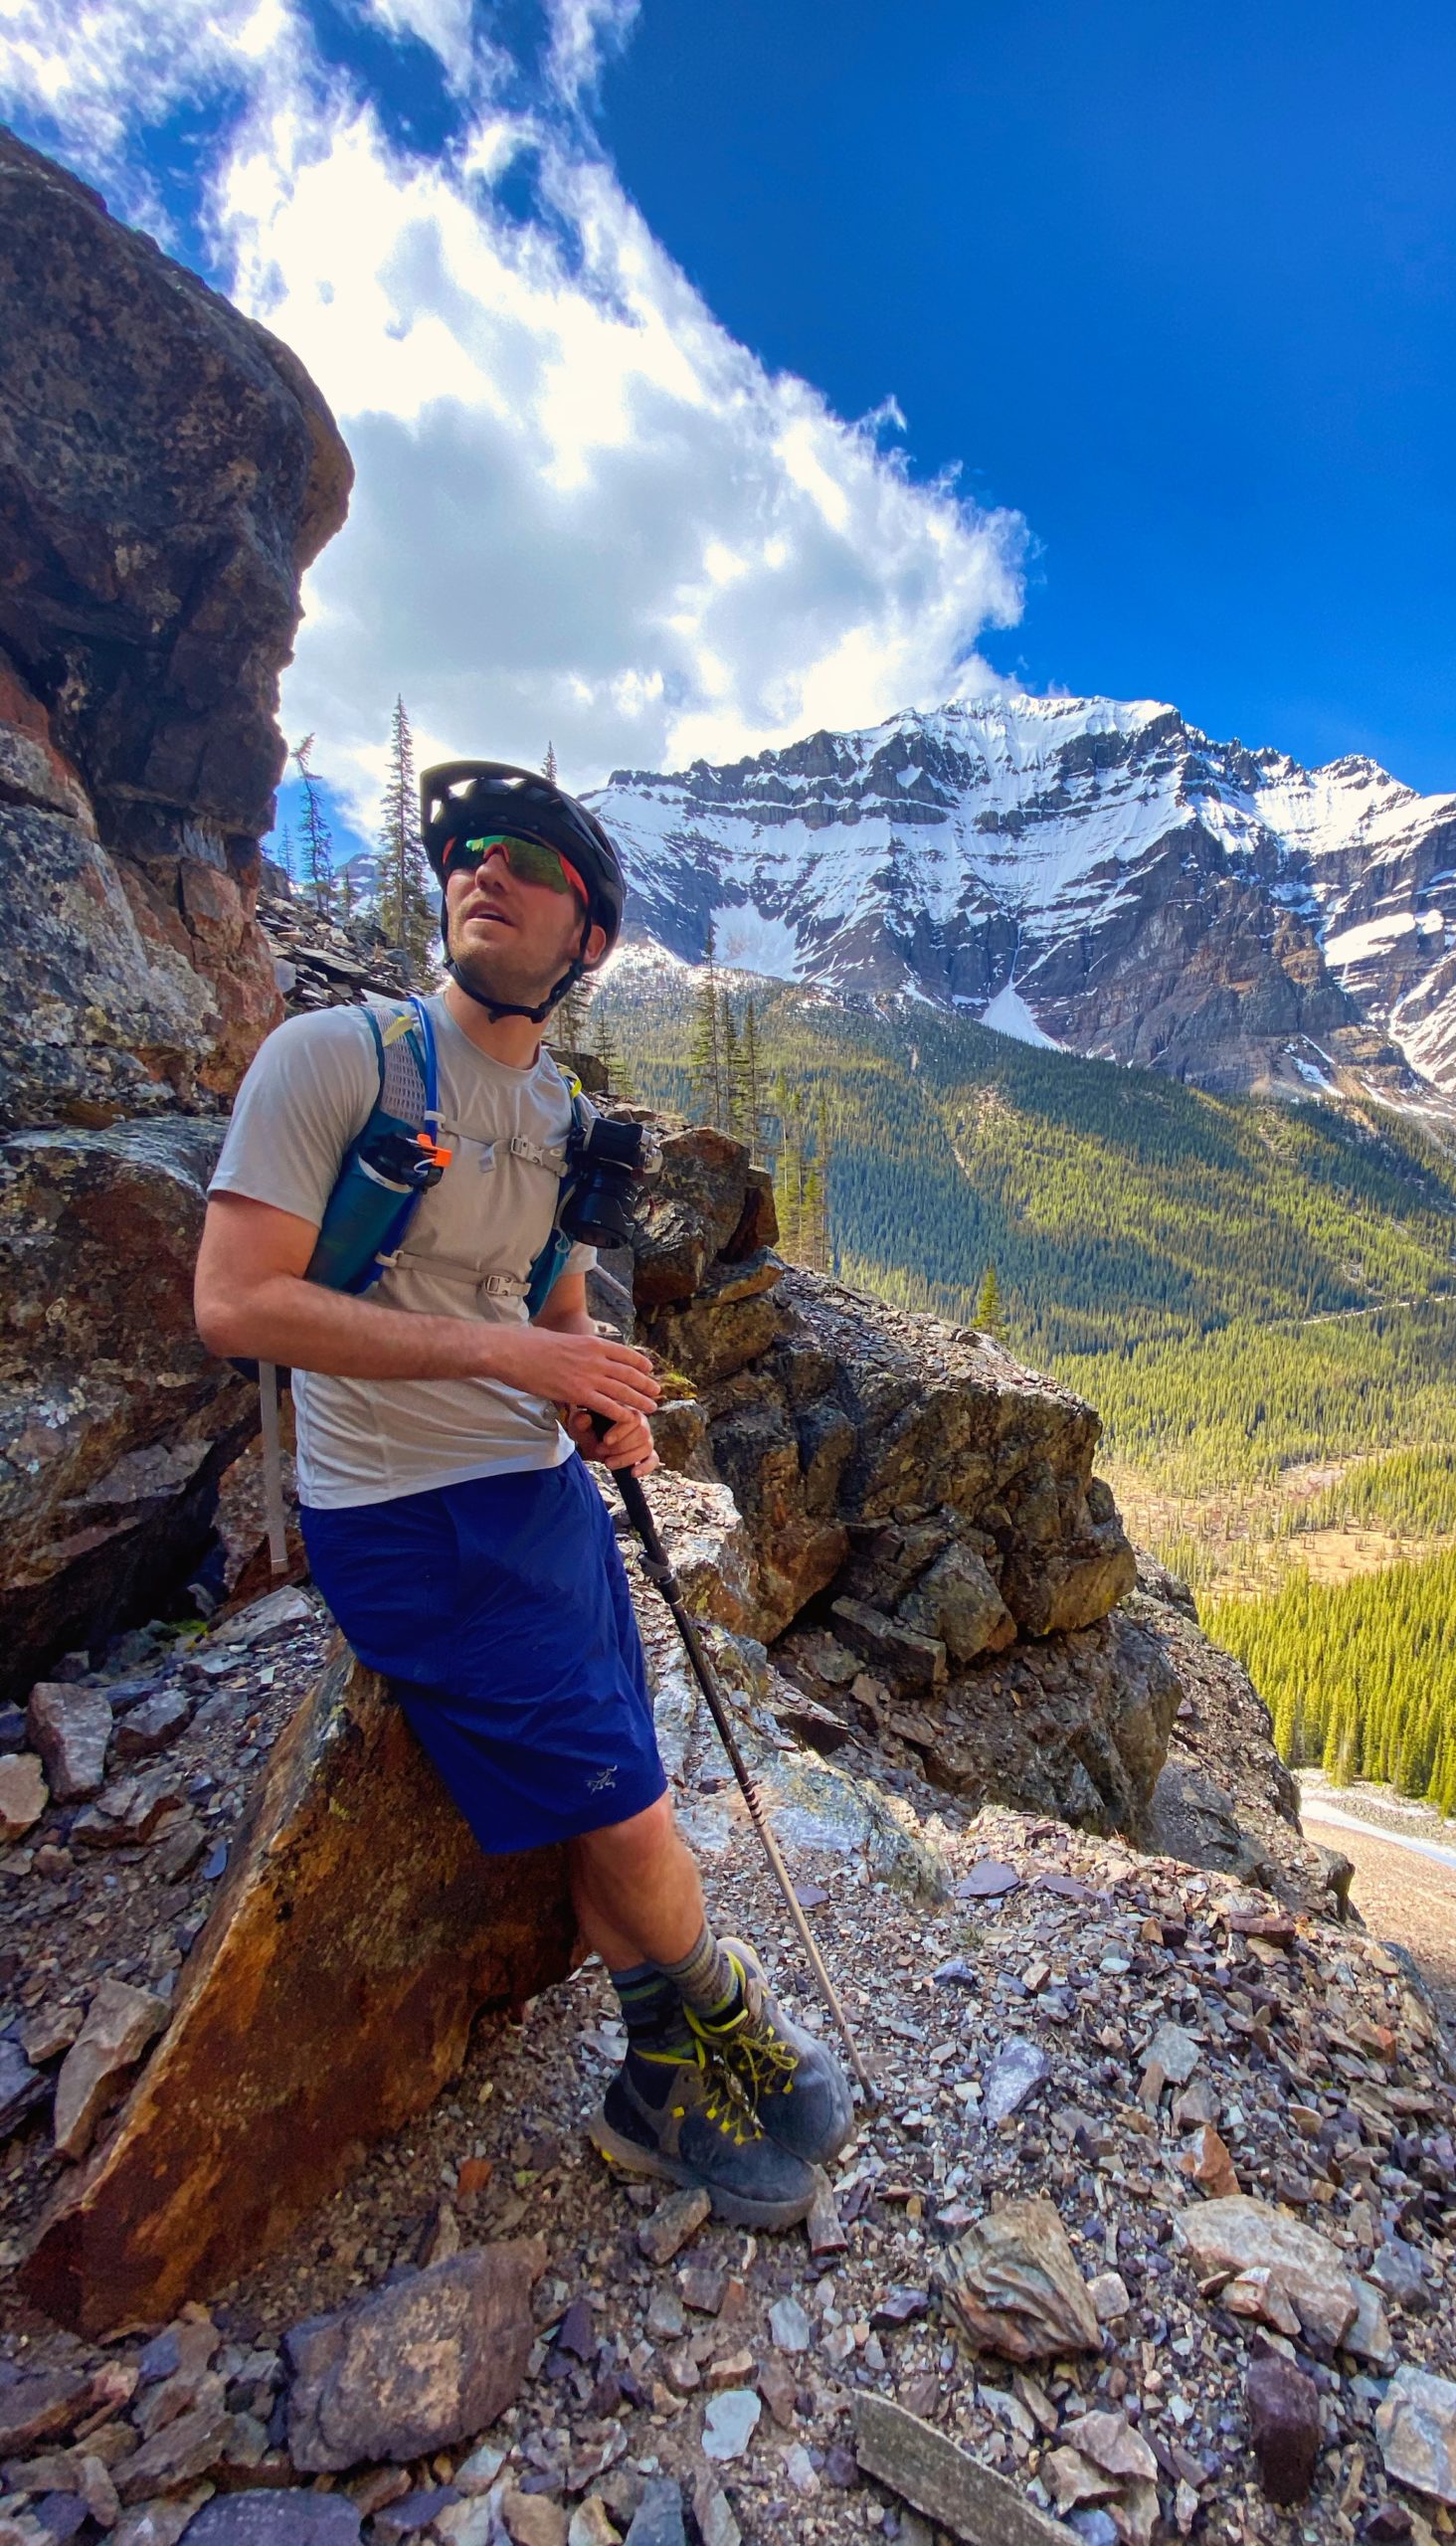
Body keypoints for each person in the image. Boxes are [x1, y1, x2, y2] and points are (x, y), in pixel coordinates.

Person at [194, 758, 850, 2228]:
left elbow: (552, 1308)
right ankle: (722, 2009)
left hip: (541, 1498)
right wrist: (494, 1348)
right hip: (402, 1518)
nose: (483, 872)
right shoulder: (335, 1061)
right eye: (467, 855)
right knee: (626, 1812)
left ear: (587, 938)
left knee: (619, 1788)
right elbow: (234, 1305)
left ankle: (654, 2084)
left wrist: (588, 1392)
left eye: (528, 863)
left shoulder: (558, 1116)